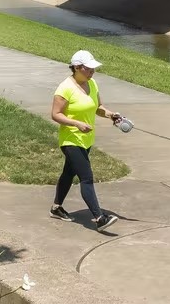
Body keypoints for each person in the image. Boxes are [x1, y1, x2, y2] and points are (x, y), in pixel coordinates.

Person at [48, 50, 122, 230]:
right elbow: (55, 114)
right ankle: (99, 218)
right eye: (89, 69)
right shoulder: (65, 88)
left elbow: (98, 108)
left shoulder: (92, 83)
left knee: (68, 173)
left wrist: (111, 114)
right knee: (86, 178)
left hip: (86, 139)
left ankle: (56, 208)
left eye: (93, 69)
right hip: (71, 139)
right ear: (77, 68)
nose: (92, 72)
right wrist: (76, 123)